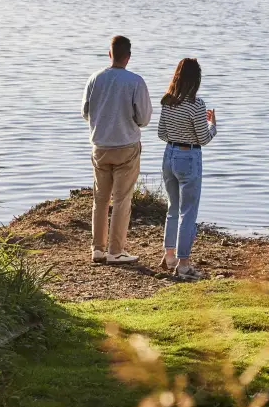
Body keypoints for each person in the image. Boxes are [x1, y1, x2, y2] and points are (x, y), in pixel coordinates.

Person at [81, 35, 152, 265]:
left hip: (99, 147)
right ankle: (116, 250)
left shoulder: (94, 79)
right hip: (126, 148)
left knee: (100, 199)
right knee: (122, 200)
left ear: (109, 54)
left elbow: (85, 112)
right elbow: (144, 118)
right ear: (128, 57)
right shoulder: (135, 82)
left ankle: (98, 249)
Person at [158, 58, 217, 279]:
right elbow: (203, 138)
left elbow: (161, 134)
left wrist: (177, 134)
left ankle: (169, 254)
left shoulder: (167, 101)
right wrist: (212, 125)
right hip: (188, 156)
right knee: (188, 212)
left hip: (169, 154)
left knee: (172, 208)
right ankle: (183, 264)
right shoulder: (196, 104)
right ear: (196, 80)